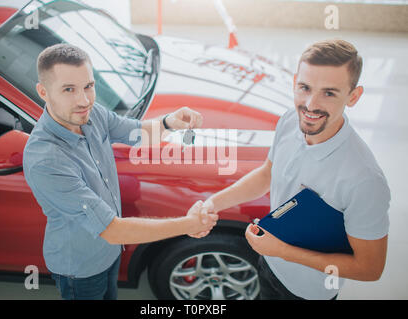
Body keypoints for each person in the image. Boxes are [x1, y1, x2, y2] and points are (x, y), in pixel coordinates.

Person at [23, 43, 218, 300]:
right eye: (68, 89)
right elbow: (113, 230)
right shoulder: (46, 159)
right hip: (80, 268)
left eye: (88, 86)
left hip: (109, 253)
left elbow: (136, 133)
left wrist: (170, 122)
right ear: (43, 92)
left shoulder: (90, 114)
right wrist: (188, 225)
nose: (83, 100)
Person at [198, 39, 390, 300]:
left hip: (308, 291)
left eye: (329, 93)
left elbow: (370, 268)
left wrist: (282, 251)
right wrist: (212, 203)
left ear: (353, 97)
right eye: (305, 87)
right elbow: (267, 174)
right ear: (294, 83)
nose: (310, 104)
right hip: (268, 263)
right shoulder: (290, 119)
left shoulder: (364, 179)